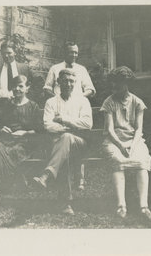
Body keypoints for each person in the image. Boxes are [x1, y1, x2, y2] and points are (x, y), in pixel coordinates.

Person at [33, 69, 93, 215]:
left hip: (80, 144)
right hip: (59, 145)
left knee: (66, 138)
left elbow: (87, 124)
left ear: (75, 83)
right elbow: (48, 125)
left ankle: (47, 174)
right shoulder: (51, 102)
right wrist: (70, 126)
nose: (68, 84)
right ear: (58, 82)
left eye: (71, 81)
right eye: (65, 80)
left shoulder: (83, 101)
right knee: (65, 151)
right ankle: (66, 204)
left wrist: (64, 120)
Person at [100, 66, 151, 220]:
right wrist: (121, 145)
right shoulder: (109, 102)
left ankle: (144, 207)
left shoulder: (137, 102)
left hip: (134, 141)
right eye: (113, 83)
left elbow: (138, 129)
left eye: (118, 83)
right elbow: (110, 130)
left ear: (126, 83)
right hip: (114, 141)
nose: (114, 87)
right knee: (118, 160)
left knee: (142, 160)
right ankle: (121, 206)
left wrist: (133, 145)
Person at [43, 42, 96, 189]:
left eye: (76, 53)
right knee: (66, 139)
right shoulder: (55, 69)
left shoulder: (81, 70)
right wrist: (57, 98)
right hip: (60, 132)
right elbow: (47, 88)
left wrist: (78, 97)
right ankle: (67, 198)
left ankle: (47, 175)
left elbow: (90, 89)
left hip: (77, 128)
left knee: (66, 139)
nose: (73, 55)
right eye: (70, 52)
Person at [0, 75, 42, 201]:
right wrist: (2, 129)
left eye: (21, 86)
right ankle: (1, 186)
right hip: (6, 141)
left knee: (13, 152)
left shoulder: (33, 106)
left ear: (27, 88)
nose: (17, 89)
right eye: (14, 86)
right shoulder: (6, 106)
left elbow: (39, 130)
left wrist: (24, 133)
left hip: (25, 144)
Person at [0, 39, 32, 104]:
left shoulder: (24, 68)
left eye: (9, 53)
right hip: (0, 104)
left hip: (18, 104)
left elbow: (38, 83)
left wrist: (27, 96)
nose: (6, 56)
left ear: (15, 52)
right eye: (4, 53)